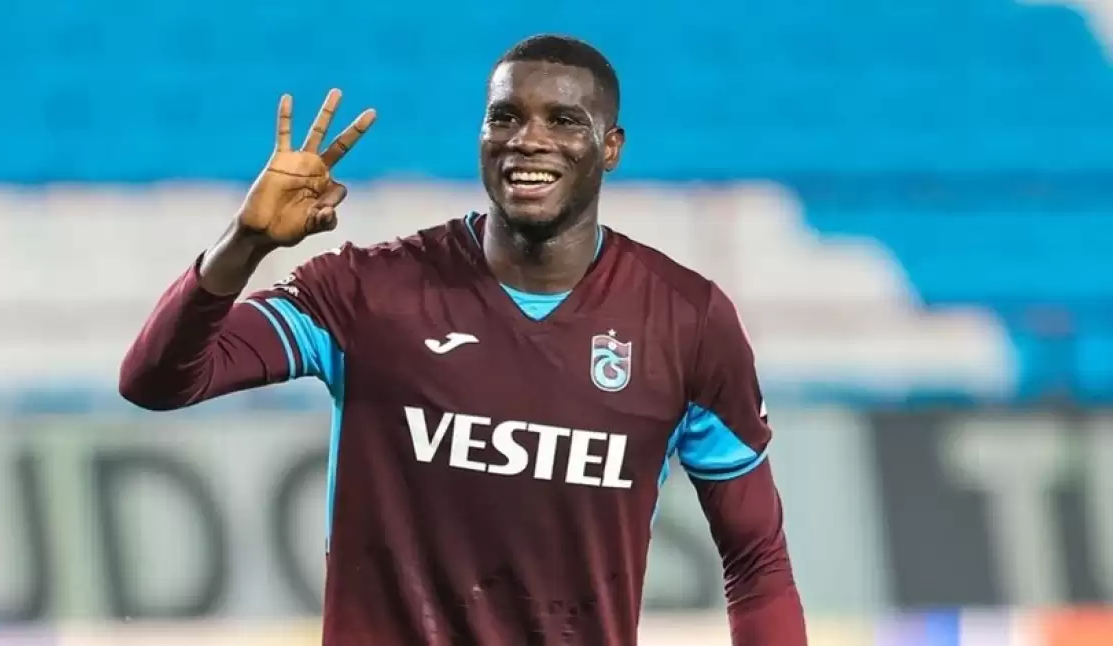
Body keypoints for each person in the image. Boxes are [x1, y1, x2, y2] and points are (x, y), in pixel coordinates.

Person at [120, 34, 807, 646]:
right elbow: (157, 382)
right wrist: (245, 243)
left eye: (563, 120)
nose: (527, 139)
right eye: (504, 117)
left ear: (610, 147)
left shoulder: (687, 322)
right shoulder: (369, 292)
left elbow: (757, 561)